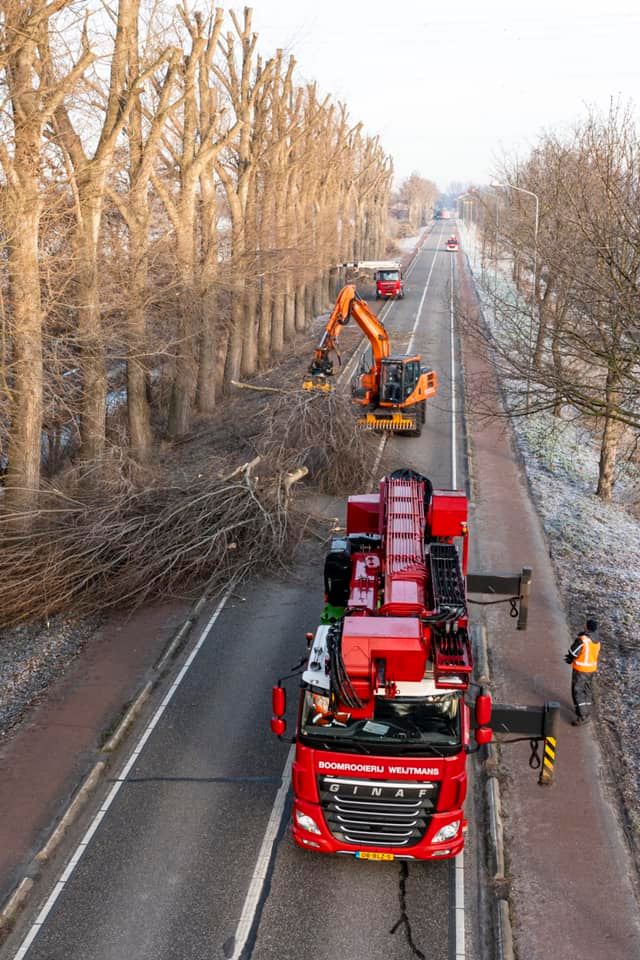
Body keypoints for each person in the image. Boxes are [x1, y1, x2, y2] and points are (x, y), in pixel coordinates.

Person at [564, 618, 600, 725]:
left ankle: (583, 716)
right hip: (591, 669)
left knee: (577, 691)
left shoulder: (583, 640)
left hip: (581, 670)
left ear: (587, 626)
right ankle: (586, 709)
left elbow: (573, 652)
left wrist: (570, 658)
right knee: (586, 690)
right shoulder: (597, 640)